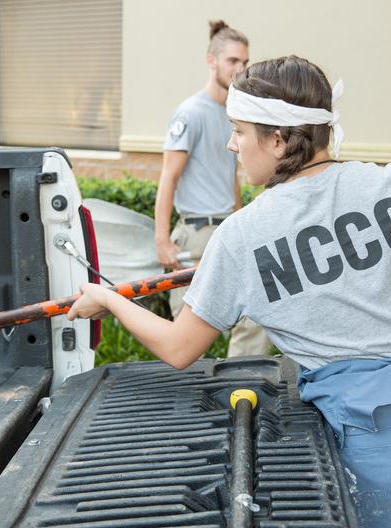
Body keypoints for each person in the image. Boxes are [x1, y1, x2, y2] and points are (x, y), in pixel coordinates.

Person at [68, 55, 391, 527]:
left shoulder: (242, 237)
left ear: (277, 139)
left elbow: (179, 348)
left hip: (390, 462)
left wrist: (109, 299)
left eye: (238, 131)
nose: (231, 144)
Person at [154, 20, 272, 358]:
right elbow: (168, 176)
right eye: (232, 60)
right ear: (212, 60)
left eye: (244, 62)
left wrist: (241, 219)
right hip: (196, 235)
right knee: (188, 339)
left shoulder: (234, 114)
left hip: (228, 229)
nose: (240, 69)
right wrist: (162, 240)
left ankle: (242, 382)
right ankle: (195, 389)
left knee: (257, 311)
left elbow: (230, 174)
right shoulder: (190, 113)